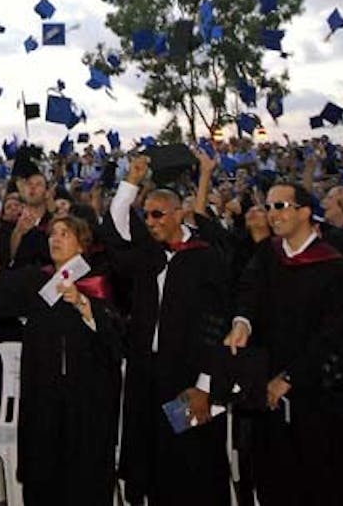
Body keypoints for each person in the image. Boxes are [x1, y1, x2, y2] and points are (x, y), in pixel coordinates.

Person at [0, 208, 124, 505]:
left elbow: (116, 336)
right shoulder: (37, 279)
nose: (55, 239)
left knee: (84, 477)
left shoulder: (97, 282)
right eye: (52, 234)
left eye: (64, 234)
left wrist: (83, 304)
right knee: (44, 474)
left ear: (82, 245)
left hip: (86, 400)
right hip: (44, 395)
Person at [223, 181, 343, 505]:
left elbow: (337, 336)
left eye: (280, 206)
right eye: (269, 207)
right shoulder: (267, 255)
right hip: (266, 388)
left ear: (305, 212)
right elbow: (248, 292)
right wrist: (242, 322)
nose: (272, 214)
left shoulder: (335, 266)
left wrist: (290, 378)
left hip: (315, 397)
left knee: (317, 481)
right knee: (273, 478)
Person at [107, 155, 231, 505]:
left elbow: (217, 325)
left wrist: (205, 385)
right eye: (146, 215)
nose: (150, 221)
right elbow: (115, 228)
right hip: (148, 373)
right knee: (151, 456)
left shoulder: (206, 257)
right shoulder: (149, 254)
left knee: (190, 461)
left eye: (158, 214)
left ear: (179, 213)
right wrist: (131, 180)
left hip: (188, 377)